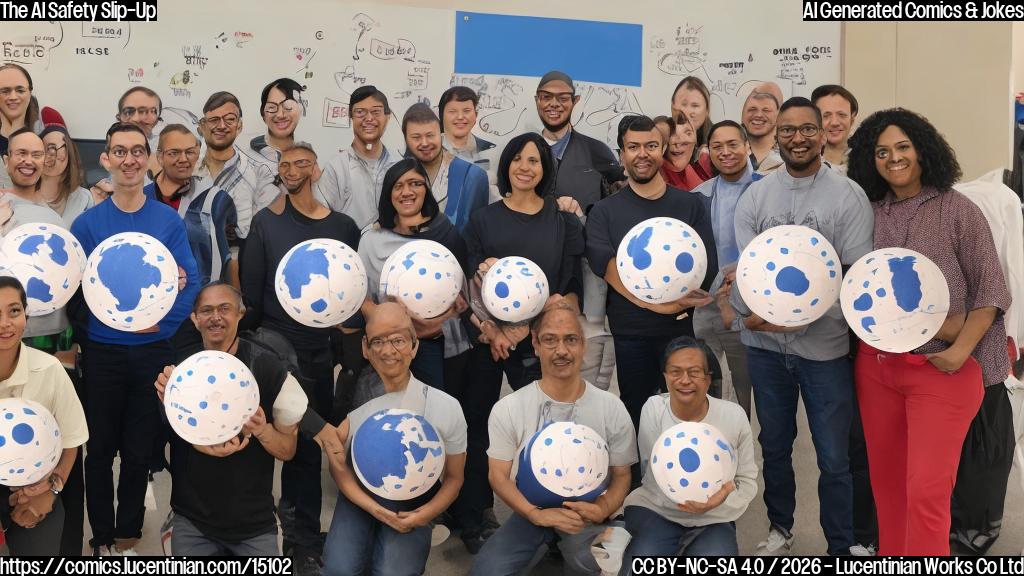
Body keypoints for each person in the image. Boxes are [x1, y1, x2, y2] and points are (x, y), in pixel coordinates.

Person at [847, 108, 1011, 555]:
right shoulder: (869, 213)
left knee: (926, 491)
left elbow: (992, 292)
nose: (893, 158)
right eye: (882, 151)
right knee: (889, 490)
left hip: (941, 370)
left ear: (923, 149)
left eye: (903, 147)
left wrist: (959, 349)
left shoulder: (959, 210)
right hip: (877, 369)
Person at [730, 97, 873, 556]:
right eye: (787, 130)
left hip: (824, 350)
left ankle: (842, 544)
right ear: (776, 135)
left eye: (807, 129)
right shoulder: (756, 195)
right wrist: (757, 316)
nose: (797, 138)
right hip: (765, 349)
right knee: (774, 446)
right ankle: (780, 529)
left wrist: (785, 317)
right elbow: (749, 273)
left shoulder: (848, 196)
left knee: (833, 456)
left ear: (824, 133)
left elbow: (851, 278)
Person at [70, 122, 200, 556]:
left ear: (149, 159)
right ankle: (101, 532)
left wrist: (160, 327)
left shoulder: (166, 221)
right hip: (103, 351)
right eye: (119, 152)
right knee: (100, 449)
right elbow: (75, 290)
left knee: (140, 446)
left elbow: (191, 280)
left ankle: (127, 530)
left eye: (137, 152)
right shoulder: (88, 224)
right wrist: (91, 333)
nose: (129, 160)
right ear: (105, 159)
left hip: (152, 351)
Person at [458, 132, 585, 553]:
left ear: (545, 169)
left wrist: (519, 332)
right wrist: (494, 331)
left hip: (536, 343)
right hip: (486, 342)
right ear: (507, 165)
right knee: (479, 428)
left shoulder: (562, 220)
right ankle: (475, 517)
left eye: (535, 160)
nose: (525, 167)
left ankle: (550, 520)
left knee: (543, 429)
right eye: (518, 159)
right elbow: (469, 290)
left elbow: (566, 289)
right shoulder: (483, 221)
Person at [240, 142, 360, 573]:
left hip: (322, 352)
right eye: (285, 164)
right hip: (279, 352)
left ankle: (304, 535)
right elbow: (252, 296)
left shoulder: (345, 227)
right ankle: (286, 532)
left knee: (312, 446)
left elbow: (349, 293)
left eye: (301, 163)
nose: (292, 170)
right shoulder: (265, 224)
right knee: (287, 440)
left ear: (318, 169)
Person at [469, 303, 636, 576]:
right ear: (535, 344)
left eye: (570, 339)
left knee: (614, 568)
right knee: (487, 572)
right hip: (531, 511)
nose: (561, 350)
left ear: (583, 345)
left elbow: (621, 474)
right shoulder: (509, 408)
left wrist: (603, 507)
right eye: (550, 340)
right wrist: (535, 514)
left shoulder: (611, 407)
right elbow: (497, 476)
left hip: (591, 512)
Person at [153, 281, 307, 555]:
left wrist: (263, 430)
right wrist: (170, 407)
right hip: (192, 521)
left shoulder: (269, 368)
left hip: (254, 525)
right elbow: (154, 445)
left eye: (224, 309)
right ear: (194, 319)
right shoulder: (180, 374)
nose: (215, 317)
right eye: (206, 310)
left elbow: (288, 450)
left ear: (240, 313)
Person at [585, 115, 717, 431]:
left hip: (681, 333)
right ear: (621, 155)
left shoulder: (691, 205)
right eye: (633, 147)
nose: (642, 154)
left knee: (685, 418)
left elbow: (706, 265)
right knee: (636, 418)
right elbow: (606, 265)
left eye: (651, 146)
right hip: (631, 335)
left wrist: (675, 308)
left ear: (663, 150)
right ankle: (636, 482)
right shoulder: (605, 211)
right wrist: (658, 306)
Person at [322, 302, 467, 576]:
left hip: (415, 502)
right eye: (378, 341)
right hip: (360, 496)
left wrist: (426, 514)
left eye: (398, 340)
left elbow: (454, 478)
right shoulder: (354, 404)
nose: (388, 351)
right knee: (339, 569)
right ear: (365, 347)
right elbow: (338, 468)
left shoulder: (445, 407)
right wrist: (374, 509)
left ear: (414, 345)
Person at [619, 336, 757, 566]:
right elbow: (652, 475)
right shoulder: (653, 409)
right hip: (657, 510)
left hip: (715, 515)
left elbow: (747, 480)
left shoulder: (733, 416)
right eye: (675, 372)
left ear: (707, 378)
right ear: (665, 376)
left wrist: (719, 501)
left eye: (694, 372)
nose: (685, 380)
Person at [533, 70, 624, 395]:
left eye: (562, 97)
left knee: (588, 387)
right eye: (547, 96)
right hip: (535, 291)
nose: (554, 104)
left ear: (575, 102)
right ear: (537, 100)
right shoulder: (525, 154)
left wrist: (587, 216)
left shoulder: (598, 152)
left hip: (589, 297)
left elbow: (620, 213)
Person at [358, 158, 469, 391]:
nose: (407, 192)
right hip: (394, 346)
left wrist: (444, 317)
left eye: (415, 184)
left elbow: (463, 287)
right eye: (398, 186)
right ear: (389, 194)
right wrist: (394, 321)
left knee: (441, 409)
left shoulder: (444, 231)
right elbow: (362, 299)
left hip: (446, 342)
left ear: (426, 190)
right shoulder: (371, 240)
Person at [0, 276, 88, 555]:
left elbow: (72, 439)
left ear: (26, 313)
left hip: (36, 487)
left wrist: (52, 490)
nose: (5, 323)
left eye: (14, 311)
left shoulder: (50, 369)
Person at [691, 120, 759, 419]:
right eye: (717, 146)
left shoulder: (767, 190)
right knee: (705, 389)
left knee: (746, 395)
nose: (726, 152)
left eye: (733, 144)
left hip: (749, 310)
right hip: (705, 308)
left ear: (747, 146)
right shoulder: (698, 196)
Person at [195, 91, 281, 272]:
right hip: (190, 265)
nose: (221, 126)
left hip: (240, 267)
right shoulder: (187, 168)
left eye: (229, 119)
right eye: (213, 120)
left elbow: (260, 231)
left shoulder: (260, 173)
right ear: (202, 126)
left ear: (239, 126)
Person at [146, 124, 236, 287]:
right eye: (174, 153)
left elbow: (232, 256)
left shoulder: (216, 199)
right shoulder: (142, 199)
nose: (183, 159)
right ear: (160, 156)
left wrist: (236, 299)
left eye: (189, 152)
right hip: (152, 297)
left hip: (203, 302)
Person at [316, 85, 400, 233]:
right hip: (349, 252)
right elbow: (321, 221)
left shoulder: (400, 164)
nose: (369, 118)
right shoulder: (336, 167)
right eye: (360, 112)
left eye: (376, 112)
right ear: (351, 118)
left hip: (394, 252)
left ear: (387, 117)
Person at [402, 103, 489, 232]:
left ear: (440, 134)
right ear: (406, 139)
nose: (425, 143)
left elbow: (478, 234)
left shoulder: (472, 176)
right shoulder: (398, 176)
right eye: (416, 137)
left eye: (430, 135)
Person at [439, 85, 498, 188]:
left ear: (476, 115)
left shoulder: (488, 150)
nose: (460, 117)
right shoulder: (430, 149)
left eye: (466, 111)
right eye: (453, 112)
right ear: (441, 115)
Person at [39, 125, 94, 227]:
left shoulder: (84, 198)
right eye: (47, 148)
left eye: (59, 149)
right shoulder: (23, 198)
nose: (52, 155)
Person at [248, 78, 304, 178]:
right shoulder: (247, 157)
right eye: (272, 107)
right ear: (263, 114)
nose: (280, 115)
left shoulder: (306, 158)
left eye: (288, 107)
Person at [0, 64, 42, 188]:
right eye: (5, 91)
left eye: (20, 90)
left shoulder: (44, 138)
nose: (13, 97)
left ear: (30, 93)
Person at [811, 85, 859, 175]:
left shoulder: (867, 160)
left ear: (851, 120)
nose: (834, 123)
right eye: (826, 116)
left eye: (841, 115)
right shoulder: (804, 162)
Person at [659, 115, 713, 192]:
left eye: (688, 134)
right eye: (673, 134)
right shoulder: (657, 171)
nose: (680, 141)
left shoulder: (691, 167)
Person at [741, 88, 784, 174]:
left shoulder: (789, 153)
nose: (758, 115)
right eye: (752, 109)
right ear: (742, 116)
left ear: (778, 116)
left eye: (766, 110)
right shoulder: (728, 152)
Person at [670, 77, 712, 151]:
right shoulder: (661, 135)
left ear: (707, 110)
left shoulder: (718, 139)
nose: (687, 112)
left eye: (695, 106)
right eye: (683, 104)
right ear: (672, 106)